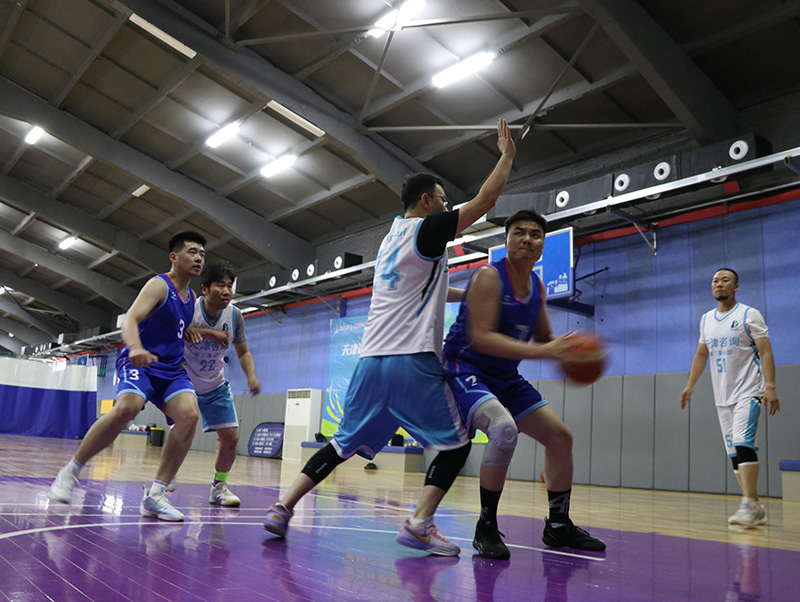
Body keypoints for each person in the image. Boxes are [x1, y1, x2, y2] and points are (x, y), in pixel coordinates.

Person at [263, 119, 517, 556]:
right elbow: (486, 200)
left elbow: (426, 288)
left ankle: (282, 507)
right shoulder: (426, 229)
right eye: (442, 199)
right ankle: (419, 523)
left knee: (340, 445)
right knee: (457, 445)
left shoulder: (389, 240)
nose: (446, 205)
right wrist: (507, 157)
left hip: (370, 362)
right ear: (426, 201)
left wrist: (471, 294)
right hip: (411, 360)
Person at [442, 209, 606, 560]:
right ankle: (486, 525)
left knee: (560, 438)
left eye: (535, 234)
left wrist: (574, 349)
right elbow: (482, 337)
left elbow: (544, 336)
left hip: (505, 377)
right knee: (503, 430)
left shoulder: (537, 287)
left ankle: (558, 525)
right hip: (464, 368)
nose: (527, 239)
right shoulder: (489, 277)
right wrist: (546, 351)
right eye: (519, 232)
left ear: (543, 246)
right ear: (506, 240)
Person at [48, 231, 206, 522]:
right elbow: (131, 318)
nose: (199, 258)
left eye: (202, 254)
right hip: (140, 361)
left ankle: (155, 495)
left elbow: (173, 326)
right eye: (193, 252)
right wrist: (135, 347)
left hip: (171, 370)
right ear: (174, 257)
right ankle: (70, 471)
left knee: (190, 415)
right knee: (127, 408)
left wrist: (190, 332)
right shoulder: (159, 285)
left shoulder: (192, 297)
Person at [680, 268, 779, 527]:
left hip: (750, 390)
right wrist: (690, 385)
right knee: (734, 454)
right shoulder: (706, 320)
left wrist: (770, 386)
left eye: (725, 280)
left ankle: (748, 505)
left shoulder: (749, 314)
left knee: (743, 442)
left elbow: (766, 351)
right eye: (715, 281)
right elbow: (701, 354)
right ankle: (753, 506)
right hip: (722, 396)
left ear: (736, 287)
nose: (719, 284)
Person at [182, 262, 262, 506]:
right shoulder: (189, 308)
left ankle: (219, 488)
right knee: (181, 435)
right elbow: (174, 333)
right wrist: (208, 333)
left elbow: (243, 352)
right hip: (184, 383)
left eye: (230, 286)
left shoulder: (234, 315)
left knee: (231, 439)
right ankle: (162, 484)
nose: (227, 291)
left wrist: (251, 376)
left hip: (215, 385)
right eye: (221, 285)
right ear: (205, 289)